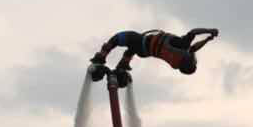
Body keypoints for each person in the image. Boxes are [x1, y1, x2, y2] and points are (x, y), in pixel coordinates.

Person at [89, 27, 218, 82]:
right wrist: (207, 39)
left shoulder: (182, 44)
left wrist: (208, 30)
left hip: (142, 42)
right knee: (130, 50)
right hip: (145, 52)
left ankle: (101, 57)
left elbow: (194, 32)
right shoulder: (177, 63)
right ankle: (123, 65)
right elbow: (194, 48)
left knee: (117, 38)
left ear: (188, 59)